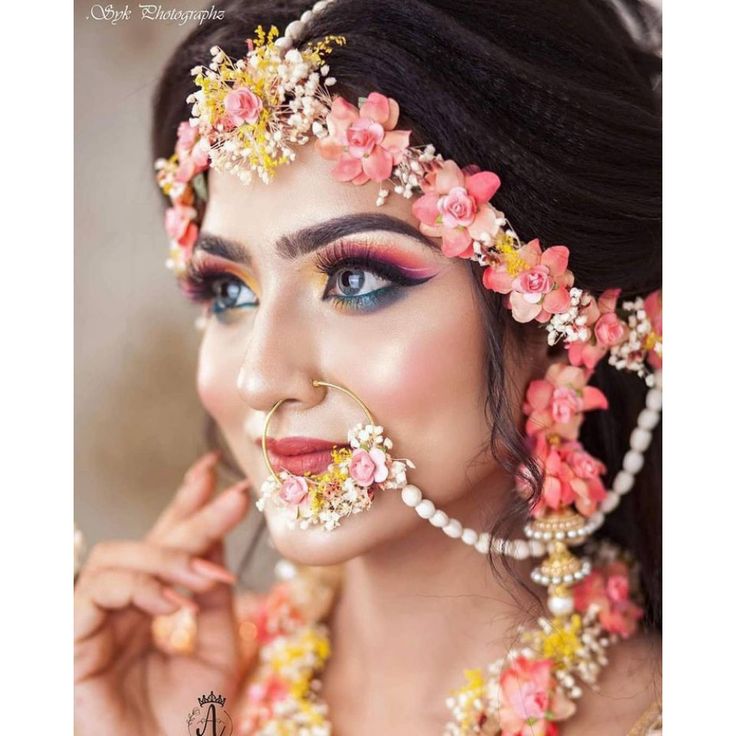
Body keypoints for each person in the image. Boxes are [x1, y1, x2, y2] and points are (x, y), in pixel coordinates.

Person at [74, 0, 662, 733]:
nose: (260, 379)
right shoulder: (182, 693)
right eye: (230, 292)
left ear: (555, 315)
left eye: (355, 280)